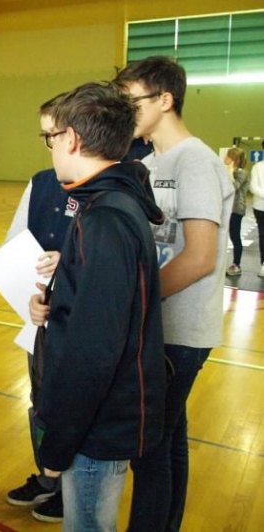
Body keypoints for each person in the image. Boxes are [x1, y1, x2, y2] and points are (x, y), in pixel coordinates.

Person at [28, 82, 166, 531]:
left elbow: (92, 351)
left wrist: (57, 444)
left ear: (70, 139)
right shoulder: (110, 204)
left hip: (97, 427)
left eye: (51, 139)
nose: (51, 149)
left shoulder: (106, 217)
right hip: (101, 419)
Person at [116, 56, 234, 532]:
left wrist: (133, 300)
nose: (125, 112)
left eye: (131, 101)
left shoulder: (197, 161)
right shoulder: (147, 162)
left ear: (165, 100)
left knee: (149, 448)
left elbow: (200, 256)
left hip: (180, 330)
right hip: (157, 324)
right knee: (168, 439)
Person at [0, 94, 76, 524]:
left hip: (78, 319)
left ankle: (70, 486)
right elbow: (19, 239)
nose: (48, 144)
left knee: (71, 402)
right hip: (38, 315)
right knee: (41, 396)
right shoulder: (41, 181)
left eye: (55, 134)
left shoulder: (101, 188)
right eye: (44, 135)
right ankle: (47, 475)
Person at [224, 148, 250, 276]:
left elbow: (233, 187)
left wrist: (229, 172)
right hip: (226, 208)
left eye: (228, 156)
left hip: (236, 209)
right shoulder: (228, 172)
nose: (225, 158)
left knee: (235, 237)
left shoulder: (241, 173)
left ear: (233, 159)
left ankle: (236, 264)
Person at [251, 146, 264, 278]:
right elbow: (253, 186)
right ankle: (263, 264)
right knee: (263, 235)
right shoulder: (258, 167)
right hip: (260, 207)